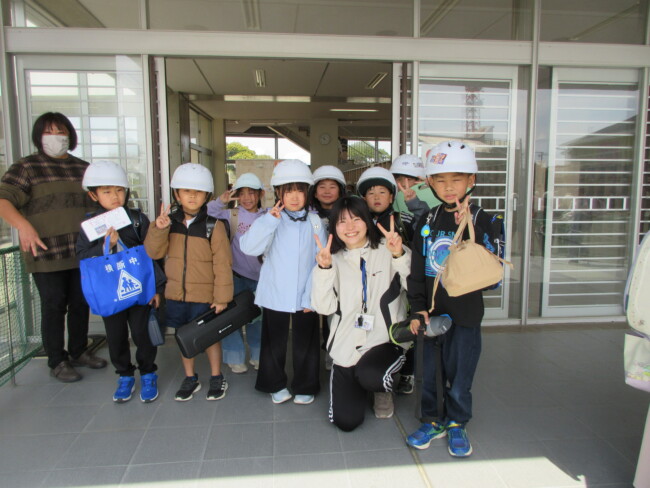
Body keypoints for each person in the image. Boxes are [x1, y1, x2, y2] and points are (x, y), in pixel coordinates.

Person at [405, 141, 504, 457]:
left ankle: (457, 422)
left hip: (465, 315)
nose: (448, 187)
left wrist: (471, 228)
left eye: (456, 179)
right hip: (432, 314)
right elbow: (417, 268)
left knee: (460, 374)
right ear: (430, 183)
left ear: (471, 180)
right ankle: (432, 420)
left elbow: (493, 277)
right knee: (429, 372)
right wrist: (418, 308)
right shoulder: (427, 220)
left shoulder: (485, 219)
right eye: (440, 180)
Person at [0, 112, 107, 382]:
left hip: (82, 252)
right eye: (49, 131)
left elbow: (100, 204)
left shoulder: (83, 169)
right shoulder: (27, 167)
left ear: (70, 135)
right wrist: (23, 226)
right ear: (39, 136)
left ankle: (79, 350)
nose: (56, 137)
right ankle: (57, 360)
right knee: (54, 305)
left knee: (81, 303)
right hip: (46, 253)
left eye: (61, 131)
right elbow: (3, 199)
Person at [311, 196, 410, 431]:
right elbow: (324, 308)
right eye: (342, 221)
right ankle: (361, 381)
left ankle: (381, 389)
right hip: (346, 345)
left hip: (384, 340)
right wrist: (324, 269)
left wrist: (399, 255)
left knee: (372, 376)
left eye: (356, 219)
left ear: (367, 221)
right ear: (334, 227)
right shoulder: (331, 259)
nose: (350, 227)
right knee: (346, 422)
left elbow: (415, 289)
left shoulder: (388, 249)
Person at [240, 159, 327, 405]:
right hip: (275, 292)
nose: (294, 197)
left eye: (300, 190)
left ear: (307, 192)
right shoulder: (269, 218)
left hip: (306, 292)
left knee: (306, 342)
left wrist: (312, 294)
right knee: (273, 342)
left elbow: (320, 260)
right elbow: (249, 248)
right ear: (278, 193)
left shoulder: (315, 221)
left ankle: (305, 385)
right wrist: (270, 221)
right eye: (288, 191)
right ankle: (274, 384)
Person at [76, 160, 164, 403]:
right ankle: (124, 375)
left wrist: (157, 288)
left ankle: (148, 373)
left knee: (142, 333)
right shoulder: (90, 227)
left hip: (140, 290)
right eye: (107, 191)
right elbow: (82, 257)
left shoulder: (137, 219)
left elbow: (154, 255)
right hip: (110, 293)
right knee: (115, 336)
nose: (115, 197)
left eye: (119, 190)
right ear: (93, 195)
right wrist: (106, 246)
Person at [144, 163, 233, 401]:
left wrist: (222, 298)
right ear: (177, 194)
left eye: (198, 192)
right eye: (186, 191)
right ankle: (190, 378)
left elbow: (223, 264)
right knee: (184, 338)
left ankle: (216, 376)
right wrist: (158, 229)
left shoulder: (214, 225)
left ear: (207, 196)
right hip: (176, 295)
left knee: (210, 337)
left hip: (205, 297)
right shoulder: (168, 223)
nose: (192, 196)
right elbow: (153, 252)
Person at [207, 172, 265, 374]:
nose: (247, 198)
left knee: (258, 318)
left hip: (261, 278)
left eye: (252, 193)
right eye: (242, 193)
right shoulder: (230, 214)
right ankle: (235, 357)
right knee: (231, 318)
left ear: (261, 194)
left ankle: (258, 355)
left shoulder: (267, 215)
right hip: (235, 276)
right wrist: (221, 201)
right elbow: (205, 213)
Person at [308, 164, 346, 370]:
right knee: (313, 314)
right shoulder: (306, 214)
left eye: (332, 186)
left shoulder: (347, 213)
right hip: (313, 273)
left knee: (336, 314)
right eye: (322, 187)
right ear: (314, 192)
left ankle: (333, 356)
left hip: (341, 272)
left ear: (340, 190)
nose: (327, 191)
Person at [356, 166, 417, 246]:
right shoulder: (359, 222)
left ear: (391, 198)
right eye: (371, 193)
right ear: (365, 199)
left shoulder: (403, 220)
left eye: (382, 192)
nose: (376, 197)